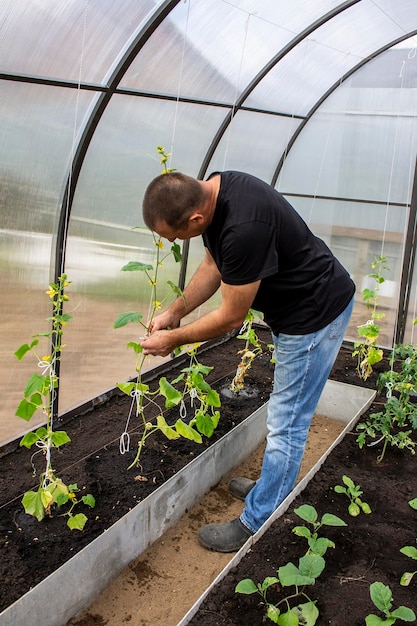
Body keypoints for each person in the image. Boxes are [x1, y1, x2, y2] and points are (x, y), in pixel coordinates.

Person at [140, 170, 355, 553]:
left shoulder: (244, 229)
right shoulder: (216, 191)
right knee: (285, 413)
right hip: (299, 307)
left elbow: (230, 317)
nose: (171, 241)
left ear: (195, 219)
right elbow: (213, 265)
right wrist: (176, 310)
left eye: (171, 235)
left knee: (287, 420)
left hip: (314, 316)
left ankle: (258, 518)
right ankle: (270, 488)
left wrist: (172, 338)